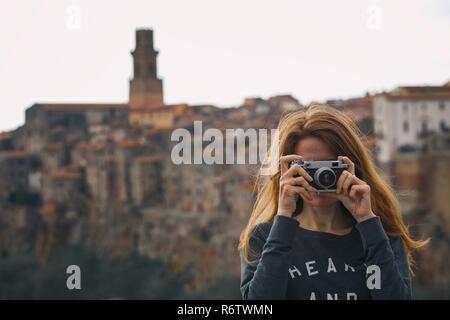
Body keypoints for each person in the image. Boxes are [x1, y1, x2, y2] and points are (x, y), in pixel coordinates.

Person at [238, 104, 428, 300]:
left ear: (352, 167)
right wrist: (284, 218)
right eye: (307, 167)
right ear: (286, 171)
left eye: (330, 167)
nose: (321, 176)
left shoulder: (380, 237)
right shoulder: (265, 237)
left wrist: (367, 221)